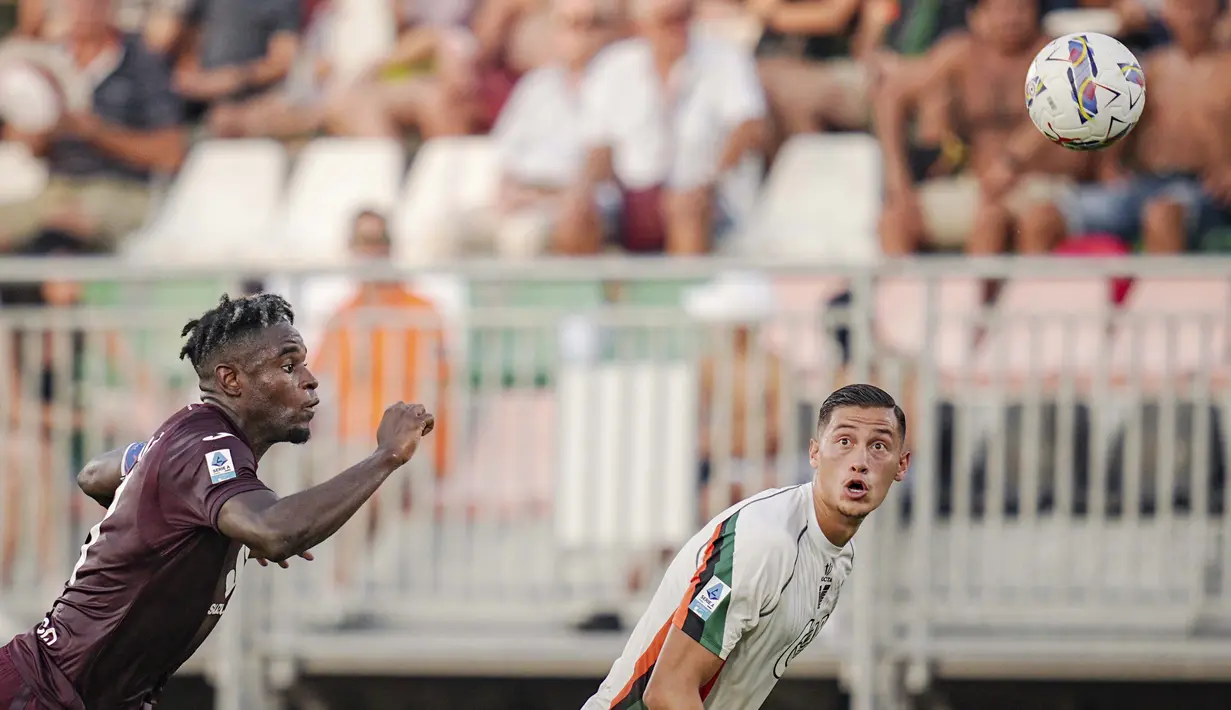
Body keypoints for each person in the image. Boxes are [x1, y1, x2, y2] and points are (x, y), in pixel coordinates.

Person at [0, 293, 435, 709]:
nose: (309, 378)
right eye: (288, 365)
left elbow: (93, 473)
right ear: (230, 380)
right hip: (43, 693)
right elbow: (274, 532)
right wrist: (387, 455)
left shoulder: (189, 444)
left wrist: (152, 463)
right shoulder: (207, 446)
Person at [581, 383, 909, 709]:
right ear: (814, 453)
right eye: (844, 441)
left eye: (878, 446)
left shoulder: (838, 556)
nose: (860, 461)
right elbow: (668, 692)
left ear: (902, 465)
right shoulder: (764, 542)